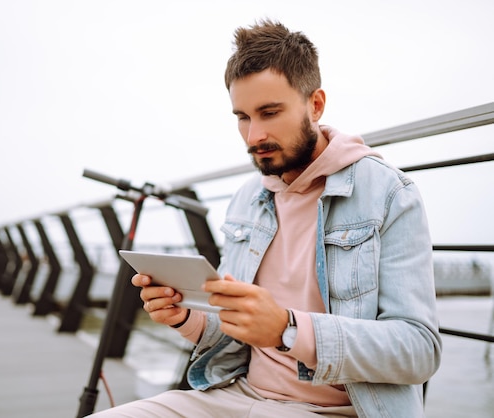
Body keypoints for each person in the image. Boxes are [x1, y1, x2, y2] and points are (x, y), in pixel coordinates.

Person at [91, 19, 441, 417]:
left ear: (316, 104)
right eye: (242, 116)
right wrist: (185, 316)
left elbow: (419, 350)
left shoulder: (388, 194)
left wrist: (288, 329)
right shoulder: (247, 198)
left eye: (269, 112)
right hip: (238, 396)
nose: (254, 135)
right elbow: (234, 329)